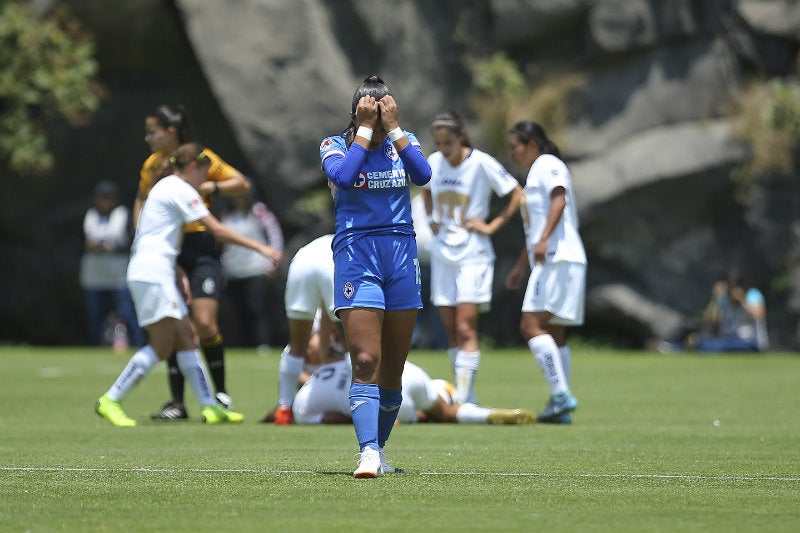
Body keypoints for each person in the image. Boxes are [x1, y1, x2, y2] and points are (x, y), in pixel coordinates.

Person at [95, 143, 283, 427]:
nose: (205, 184)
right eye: (204, 175)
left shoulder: (168, 188)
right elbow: (216, 229)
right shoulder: (180, 189)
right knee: (160, 347)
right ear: (193, 167)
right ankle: (111, 399)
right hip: (153, 273)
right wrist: (263, 248)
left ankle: (210, 407)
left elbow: (160, 236)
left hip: (154, 270)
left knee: (186, 338)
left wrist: (177, 270)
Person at [320, 75, 432, 478]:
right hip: (357, 252)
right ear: (357, 111)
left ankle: (380, 449)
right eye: (372, 108)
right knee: (366, 358)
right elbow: (345, 177)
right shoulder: (335, 145)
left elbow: (423, 174)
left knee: (394, 366)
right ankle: (367, 452)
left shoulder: (403, 142)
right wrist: (365, 130)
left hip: (401, 253)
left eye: (385, 108)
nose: (381, 114)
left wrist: (396, 129)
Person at [135, 104, 250, 420]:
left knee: (205, 323)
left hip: (200, 246)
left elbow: (241, 183)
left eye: (152, 131)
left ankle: (221, 396)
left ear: (169, 132)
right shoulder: (152, 165)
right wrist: (141, 238)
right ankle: (177, 403)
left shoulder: (202, 158)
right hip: (168, 250)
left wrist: (208, 185)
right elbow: (141, 202)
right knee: (173, 323)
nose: (147, 137)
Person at [421, 111, 523, 404]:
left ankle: (464, 397)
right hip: (443, 252)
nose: (444, 149)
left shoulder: (480, 162)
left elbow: (516, 193)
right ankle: (466, 393)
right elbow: (426, 190)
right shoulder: (434, 162)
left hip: (473, 254)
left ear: (461, 137)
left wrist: (491, 226)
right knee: (450, 328)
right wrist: (430, 218)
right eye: (439, 143)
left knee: (466, 327)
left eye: (449, 142)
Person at [504, 121, 585, 425]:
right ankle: (559, 403)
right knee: (554, 332)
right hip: (556, 257)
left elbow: (559, 199)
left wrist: (542, 240)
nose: (512, 154)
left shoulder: (547, 163)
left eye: (515, 147)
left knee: (530, 326)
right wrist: (520, 266)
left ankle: (562, 394)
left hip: (557, 257)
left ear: (533, 144)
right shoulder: (535, 171)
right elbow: (536, 226)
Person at [292, 358, 537, 434]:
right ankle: (487, 413)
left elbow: (333, 418)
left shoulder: (300, 407)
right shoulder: (326, 369)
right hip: (407, 370)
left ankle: (436, 404)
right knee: (443, 412)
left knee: (424, 415)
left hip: (385, 396)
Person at [257, 234, 341, 425]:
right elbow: (329, 318)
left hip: (301, 260)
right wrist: (327, 357)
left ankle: (283, 409)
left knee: (296, 345)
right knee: (356, 344)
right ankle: (365, 405)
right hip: (333, 260)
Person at [80, 180, 145, 348]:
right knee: (95, 314)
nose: (104, 202)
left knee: (127, 311)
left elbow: (131, 242)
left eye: (108, 198)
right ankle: (95, 345)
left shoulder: (123, 215)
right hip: (95, 272)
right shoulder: (91, 215)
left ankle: (137, 343)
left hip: (118, 272)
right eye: (101, 198)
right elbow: (83, 241)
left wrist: (114, 248)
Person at [219, 187, 285, 352]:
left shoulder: (260, 212)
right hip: (233, 271)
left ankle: (262, 343)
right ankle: (243, 344)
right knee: (237, 311)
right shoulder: (226, 215)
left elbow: (275, 236)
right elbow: (221, 245)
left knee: (256, 308)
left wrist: (273, 264)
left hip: (256, 269)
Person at [410, 193, 448, 350]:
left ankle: (439, 343)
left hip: (441, 262)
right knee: (414, 304)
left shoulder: (445, 198)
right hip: (417, 261)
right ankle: (412, 342)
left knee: (440, 305)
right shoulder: (416, 201)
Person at [696, 272, 768, 352]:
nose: (733, 292)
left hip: (750, 342)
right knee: (703, 344)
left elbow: (759, 316)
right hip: (729, 340)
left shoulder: (752, 295)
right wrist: (715, 299)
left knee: (713, 347)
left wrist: (742, 300)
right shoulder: (725, 300)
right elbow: (709, 320)